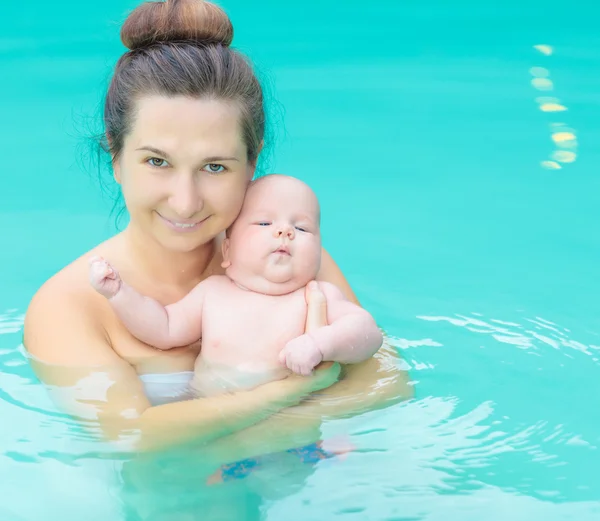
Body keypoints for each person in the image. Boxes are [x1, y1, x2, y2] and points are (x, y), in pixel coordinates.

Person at [23, 0, 411, 456]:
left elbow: (387, 385)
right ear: (115, 156)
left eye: (214, 166)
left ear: (252, 164)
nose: (185, 201)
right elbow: (133, 439)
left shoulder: (284, 256)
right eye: (157, 161)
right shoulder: (71, 306)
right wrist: (290, 391)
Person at [89, 174, 384, 396]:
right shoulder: (212, 294)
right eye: (264, 224)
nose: (285, 231)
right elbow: (164, 328)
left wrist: (320, 344)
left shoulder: (315, 297)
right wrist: (119, 294)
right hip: (218, 423)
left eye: (302, 227)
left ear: (320, 252)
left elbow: (368, 334)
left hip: (293, 431)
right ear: (227, 251)